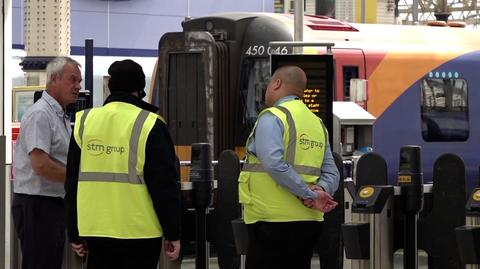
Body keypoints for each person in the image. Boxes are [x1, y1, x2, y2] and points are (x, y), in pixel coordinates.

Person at [65, 59, 181, 269]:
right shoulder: (150, 124)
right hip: (139, 233)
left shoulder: (84, 122)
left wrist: (74, 231)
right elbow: (164, 186)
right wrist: (173, 232)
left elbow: (71, 182)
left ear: (110, 86)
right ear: (140, 90)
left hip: (95, 230)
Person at [238, 65, 340, 269]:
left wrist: (307, 194)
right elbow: (332, 171)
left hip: (271, 220)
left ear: (276, 84)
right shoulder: (317, 123)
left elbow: (274, 164)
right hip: (310, 221)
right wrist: (321, 190)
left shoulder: (273, 117)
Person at [11, 56, 82, 269]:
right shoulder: (41, 114)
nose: (78, 86)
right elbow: (41, 165)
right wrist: (79, 179)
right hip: (38, 205)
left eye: (79, 81)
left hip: (51, 204)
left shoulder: (58, 115)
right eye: (73, 80)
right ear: (54, 79)